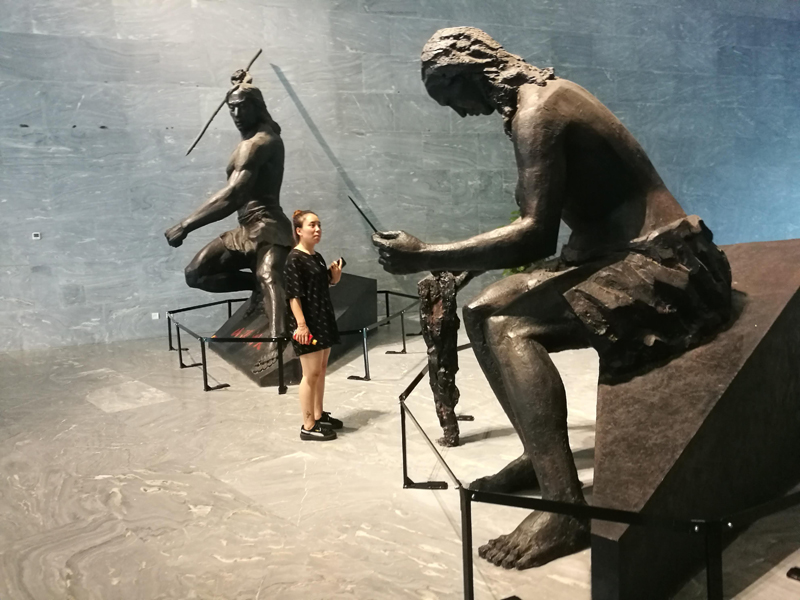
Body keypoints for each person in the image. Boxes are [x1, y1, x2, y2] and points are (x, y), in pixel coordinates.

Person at [373, 27, 732, 569]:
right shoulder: (537, 99)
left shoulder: (539, 112)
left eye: (453, 98)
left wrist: (426, 254)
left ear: (469, 74)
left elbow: (535, 234)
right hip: (609, 253)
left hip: (663, 263)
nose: (460, 112)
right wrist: (457, 261)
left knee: (509, 327)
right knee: (480, 310)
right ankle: (541, 457)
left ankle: (565, 510)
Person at [164, 81, 293, 356]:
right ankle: (255, 287)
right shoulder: (250, 142)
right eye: (231, 107)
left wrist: (186, 225)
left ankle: (278, 343)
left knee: (268, 275)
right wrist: (241, 82)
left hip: (268, 225)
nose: (236, 114)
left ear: (257, 107)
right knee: (195, 274)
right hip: (245, 229)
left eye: (242, 107)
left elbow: (233, 195)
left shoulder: (260, 143)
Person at [285, 210, 344, 441]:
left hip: (322, 320)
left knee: (320, 370)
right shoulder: (294, 259)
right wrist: (301, 326)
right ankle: (308, 425)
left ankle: (318, 415)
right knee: (310, 374)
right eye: (312, 225)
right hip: (307, 324)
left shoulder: (316, 256)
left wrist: (334, 278)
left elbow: (319, 286)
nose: (317, 229)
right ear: (299, 231)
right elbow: (293, 296)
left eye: (319, 224)